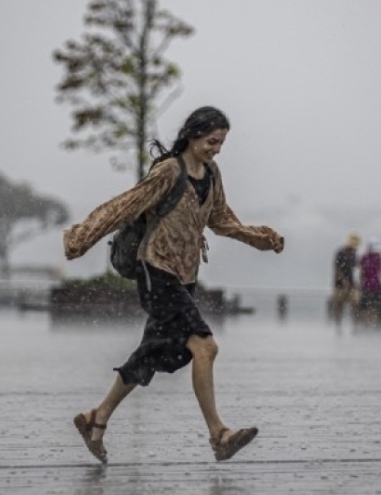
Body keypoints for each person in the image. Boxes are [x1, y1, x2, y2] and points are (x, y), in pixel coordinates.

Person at [63, 106, 285, 463]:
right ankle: (219, 434)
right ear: (194, 135)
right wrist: (81, 237)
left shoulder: (211, 173)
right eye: (213, 141)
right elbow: (125, 205)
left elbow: (221, 219)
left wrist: (259, 237)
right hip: (156, 272)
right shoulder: (169, 171)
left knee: (150, 354)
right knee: (205, 347)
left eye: (222, 143)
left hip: (185, 277)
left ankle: (95, 419)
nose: (217, 149)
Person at [358, 238, 381, 327]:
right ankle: (367, 323)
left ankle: (373, 324)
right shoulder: (364, 257)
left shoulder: (379, 257)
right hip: (366, 284)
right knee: (367, 306)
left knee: (375, 305)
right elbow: (362, 271)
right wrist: (360, 283)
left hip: (376, 284)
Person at [330, 232, 361, 324]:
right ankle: (338, 325)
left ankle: (354, 325)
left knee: (355, 304)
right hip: (339, 284)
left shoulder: (354, 254)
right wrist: (343, 279)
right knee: (339, 305)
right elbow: (337, 267)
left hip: (351, 284)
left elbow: (356, 268)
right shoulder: (340, 252)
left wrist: (356, 282)